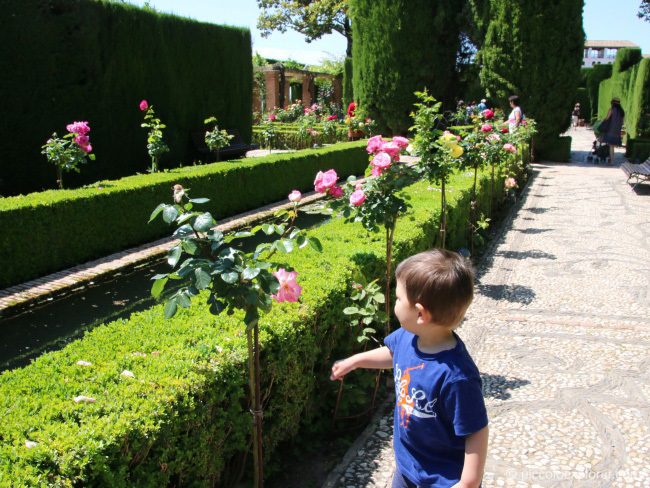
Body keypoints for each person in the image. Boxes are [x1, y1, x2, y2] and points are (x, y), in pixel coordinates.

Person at [331, 250, 489, 488]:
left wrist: (468, 482)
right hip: (408, 466)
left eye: (397, 298)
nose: (394, 303)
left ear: (420, 313)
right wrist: (355, 360)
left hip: (442, 478)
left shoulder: (456, 377)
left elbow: (476, 430)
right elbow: (394, 354)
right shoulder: (408, 337)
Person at [599, 98, 625, 164]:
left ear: (612, 103)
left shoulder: (611, 110)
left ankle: (612, 160)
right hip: (617, 130)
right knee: (612, 146)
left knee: (610, 145)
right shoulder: (622, 112)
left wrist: (602, 121)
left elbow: (607, 118)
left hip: (610, 129)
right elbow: (622, 122)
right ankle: (611, 159)